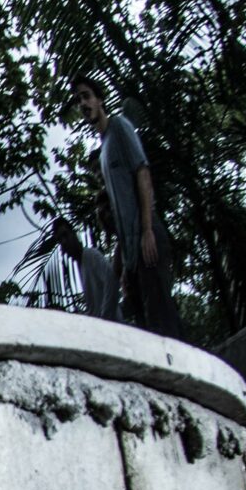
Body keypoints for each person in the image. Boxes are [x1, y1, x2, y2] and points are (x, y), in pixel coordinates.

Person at [70, 76, 183, 337]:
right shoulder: (103, 151)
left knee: (163, 320)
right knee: (146, 328)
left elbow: (142, 172)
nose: (83, 104)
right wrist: (123, 265)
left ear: (100, 100)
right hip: (132, 250)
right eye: (78, 101)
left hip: (147, 235)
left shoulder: (119, 126)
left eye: (86, 96)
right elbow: (120, 210)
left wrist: (147, 229)